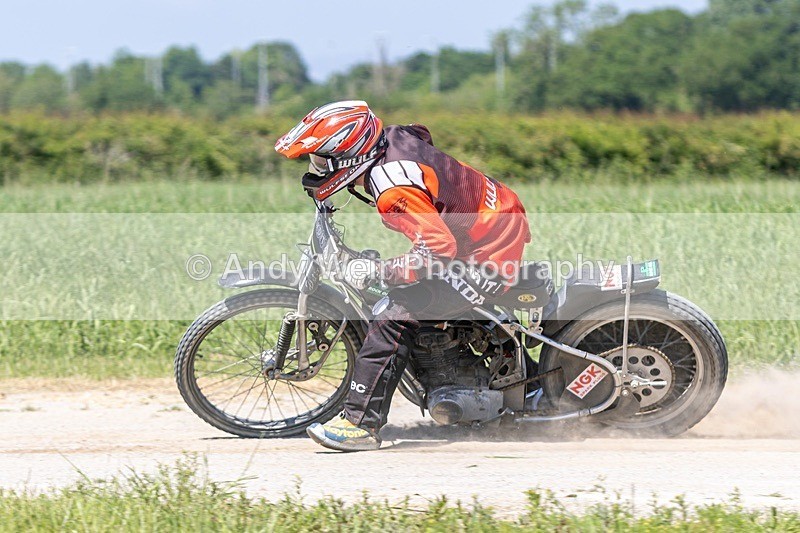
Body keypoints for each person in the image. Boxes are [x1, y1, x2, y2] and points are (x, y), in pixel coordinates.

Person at [274, 100, 531, 451]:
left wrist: (383, 271)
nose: (315, 168)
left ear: (349, 155)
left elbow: (439, 249)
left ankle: (360, 425)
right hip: (491, 217)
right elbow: (421, 135)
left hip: (488, 251)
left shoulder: (393, 190)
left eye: (321, 160)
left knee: (392, 314)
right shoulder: (391, 137)